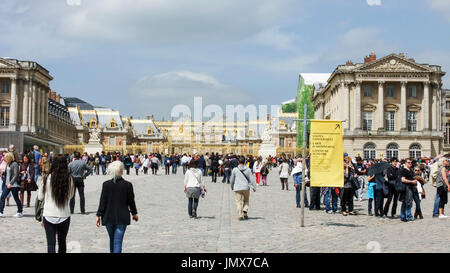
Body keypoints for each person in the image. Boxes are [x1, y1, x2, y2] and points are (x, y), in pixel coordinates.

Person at [96, 160, 138, 253]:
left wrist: (98, 215)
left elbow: (103, 201)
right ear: (122, 171)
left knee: (112, 240)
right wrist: (134, 213)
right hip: (122, 216)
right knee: (117, 242)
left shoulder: (106, 184)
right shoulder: (128, 185)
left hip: (108, 216)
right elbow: (131, 201)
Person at [38, 156, 75, 253]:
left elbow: (40, 197)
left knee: (51, 243)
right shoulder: (69, 178)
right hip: (64, 214)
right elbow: (71, 195)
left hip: (49, 213)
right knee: (62, 242)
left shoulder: (47, 178)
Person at [230, 156, 257, 220]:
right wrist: (254, 187)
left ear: (238, 162)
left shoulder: (235, 169)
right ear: (245, 162)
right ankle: (245, 210)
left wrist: (232, 186)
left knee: (238, 202)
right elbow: (251, 179)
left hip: (237, 188)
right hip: (246, 187)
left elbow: (232, 180)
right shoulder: (248, 169)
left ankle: (240, 215)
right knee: (246, 200)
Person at [0, 152, 23, 218]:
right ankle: (1, 211)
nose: (4, 158)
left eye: (6, 157)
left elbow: (16, 175)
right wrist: (3, 173)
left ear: (9, 157)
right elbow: (8, 173)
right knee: (2, 197)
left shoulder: (14, 164)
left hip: (13, 185)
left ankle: (20, 211)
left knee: (16, 198)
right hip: (7, 184)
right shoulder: (8, 163)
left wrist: (11, 183)